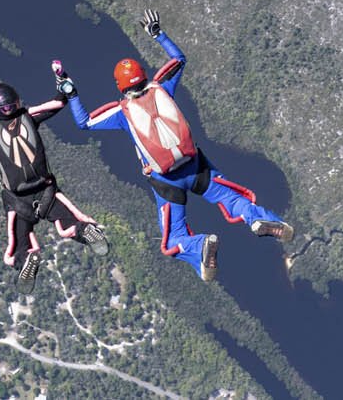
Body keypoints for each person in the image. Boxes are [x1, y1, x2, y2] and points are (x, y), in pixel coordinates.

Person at [63, 14, 293, 277]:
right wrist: (157, 33)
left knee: (173, 239)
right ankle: (259, 219)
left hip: (166, 182)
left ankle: (198, 246)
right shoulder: (162, 86)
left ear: (119, 86)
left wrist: (71, 93)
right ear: (143, 75)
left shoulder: (120, 112)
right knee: (233, 199)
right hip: (197, 168)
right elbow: (179, 59)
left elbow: (84, 122)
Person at [0, 79, 98, 278]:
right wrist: (62, 81)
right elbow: (58, 103)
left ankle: (26, 257)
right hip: (46, 191)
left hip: (17, 199)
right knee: (68, 224)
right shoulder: (28, 116)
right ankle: (83, 229)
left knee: (18, 243)